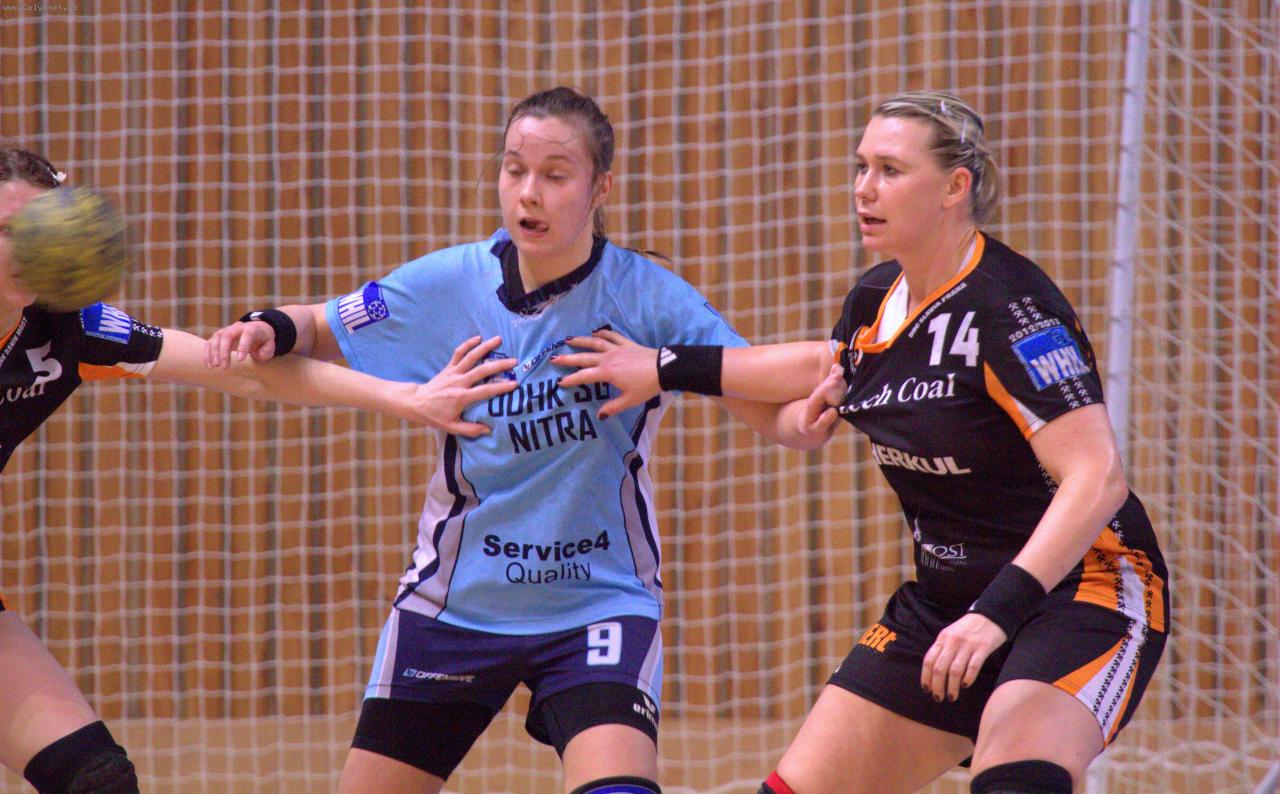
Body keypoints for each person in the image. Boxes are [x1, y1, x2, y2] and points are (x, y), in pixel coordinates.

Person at [555, 90, 1169, 794]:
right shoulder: (877, 299)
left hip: (1079, 588)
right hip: (947, 602)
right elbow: (820, 365)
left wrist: (996, 614)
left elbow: (1098, 477)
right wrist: (665, 367)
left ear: (955, 187)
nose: (863, 188)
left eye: (889, 170)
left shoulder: (1012, 309)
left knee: (1015, 781)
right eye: (861, 166)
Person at [203, 86, 807, 794]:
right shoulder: (450, 283)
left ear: (600, 188)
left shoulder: (647, 296)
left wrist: (797, 418)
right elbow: (317, 324)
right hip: (456, 604)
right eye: (515, 169)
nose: (529, 192)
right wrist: (266, 326)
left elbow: (765, 402)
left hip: (599, 604)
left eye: (555, 175)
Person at [0, 146, 517, 794]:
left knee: (99, 781)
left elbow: (243, 374)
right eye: (8, 231)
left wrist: (408, 398)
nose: (31, 250)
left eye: (41, 229)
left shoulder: (67, 330)